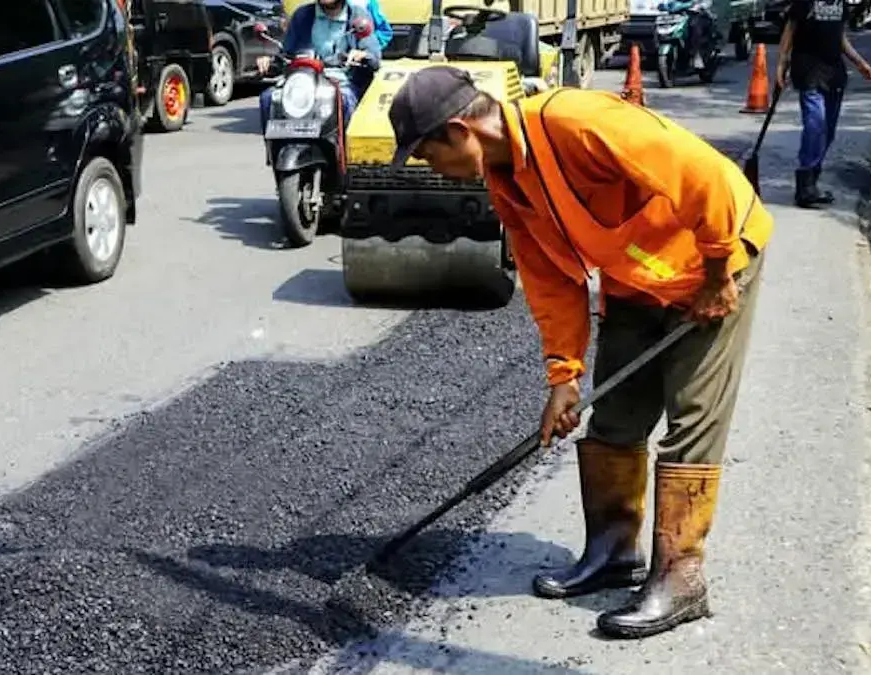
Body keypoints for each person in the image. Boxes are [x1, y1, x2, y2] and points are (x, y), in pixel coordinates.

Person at [387, 65, 774, 639]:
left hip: (710, 265)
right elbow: (550, 280)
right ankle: (615, 552)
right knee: (614, 418)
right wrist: (562, 375)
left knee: (691, 422)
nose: (431, 170)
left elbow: (702, 174)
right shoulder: (505, 179)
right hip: (635, 278)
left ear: (458, 129)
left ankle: (682, 578)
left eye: (426, 155)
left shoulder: (575, 122)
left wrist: (719, 270)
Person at [774, 0, 871, 209]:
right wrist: (781, 64)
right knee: (816, 124)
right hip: (807, 69)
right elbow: (790, 31)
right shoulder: (805, 3)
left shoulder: (840, 4)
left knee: (828, 131)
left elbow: (840, 38)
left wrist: (860, 63)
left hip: (833, 73)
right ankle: (806, 184)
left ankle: (812, 180)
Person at [256, 0, 382, 133]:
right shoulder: (302, 15)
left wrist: (362, 54)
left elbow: (373, 56)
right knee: (269, 98)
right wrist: (269, 62)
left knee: (345, 100)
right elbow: (287, 53)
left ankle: (344, 151)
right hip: (303, 82)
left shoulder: (358, 15)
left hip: (342, 83)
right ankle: (275, 151)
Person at [658, 0, 716, 71]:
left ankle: (697, 55)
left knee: (694, 27)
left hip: (700, 15)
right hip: (680, 15)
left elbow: (707, 3)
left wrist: (700, 6)